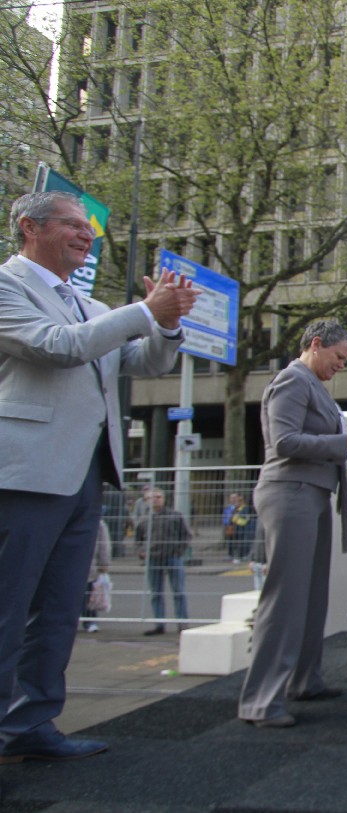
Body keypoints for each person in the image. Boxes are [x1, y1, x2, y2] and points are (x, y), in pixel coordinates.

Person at [0, 190, 195, 765]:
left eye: (89, 229)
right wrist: (143, 312)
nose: (87, 235)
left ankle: (31, 723)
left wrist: (166, 325)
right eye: (73, 225)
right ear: (30, 227)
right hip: (26, 474)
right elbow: (58, 348)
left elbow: (143, 362)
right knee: (9, 607)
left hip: (86, 474)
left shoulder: (89, 305)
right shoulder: (7, 286)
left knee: (59, 609)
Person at [237, 319, 347, 728]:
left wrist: (340, 462)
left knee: (309, 597)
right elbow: (284, 442)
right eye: (338, 357)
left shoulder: (309, 384)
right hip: (291, 494)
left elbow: (300, 444)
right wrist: (342, 444)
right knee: (286, 598)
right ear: (315, 344)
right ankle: (262, 701)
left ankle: (302, 680)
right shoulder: (292, 381)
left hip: (308, 493)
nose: (341, 365)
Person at [135, 487, 192, 636]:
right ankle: (159, 624)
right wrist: (141, 552)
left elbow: (186, 535)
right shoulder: (143, 519)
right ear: (146, 501)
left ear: (164, 499)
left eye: (158, 497)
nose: (155, 500)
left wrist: (179, 551)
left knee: (178, 591)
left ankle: (182, 623)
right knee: (156, 593)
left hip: (173, 556)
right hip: (153, 558)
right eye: (151, 498)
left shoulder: (175, 516)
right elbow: (138, 539)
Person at [80, 521, 112, 633]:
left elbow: (104, 546)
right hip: (84, 564)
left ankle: (90, 621)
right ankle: (88, 622)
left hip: (89, 565)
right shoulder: (97, 523)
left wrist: (104, 563)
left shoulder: (99, 524)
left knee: (88, 596)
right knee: (85, 596)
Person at [224, 492, 257, 563]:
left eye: (236, 500)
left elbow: (245, 519)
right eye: (232, 498)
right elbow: (228, 518)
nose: (235, 501)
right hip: (234, 528)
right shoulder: (232, 508)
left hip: (243, 528)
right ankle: (233, 555)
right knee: (233, 542)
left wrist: (236, 519)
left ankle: (242, 555)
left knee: (242, 542)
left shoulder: (245, 508)